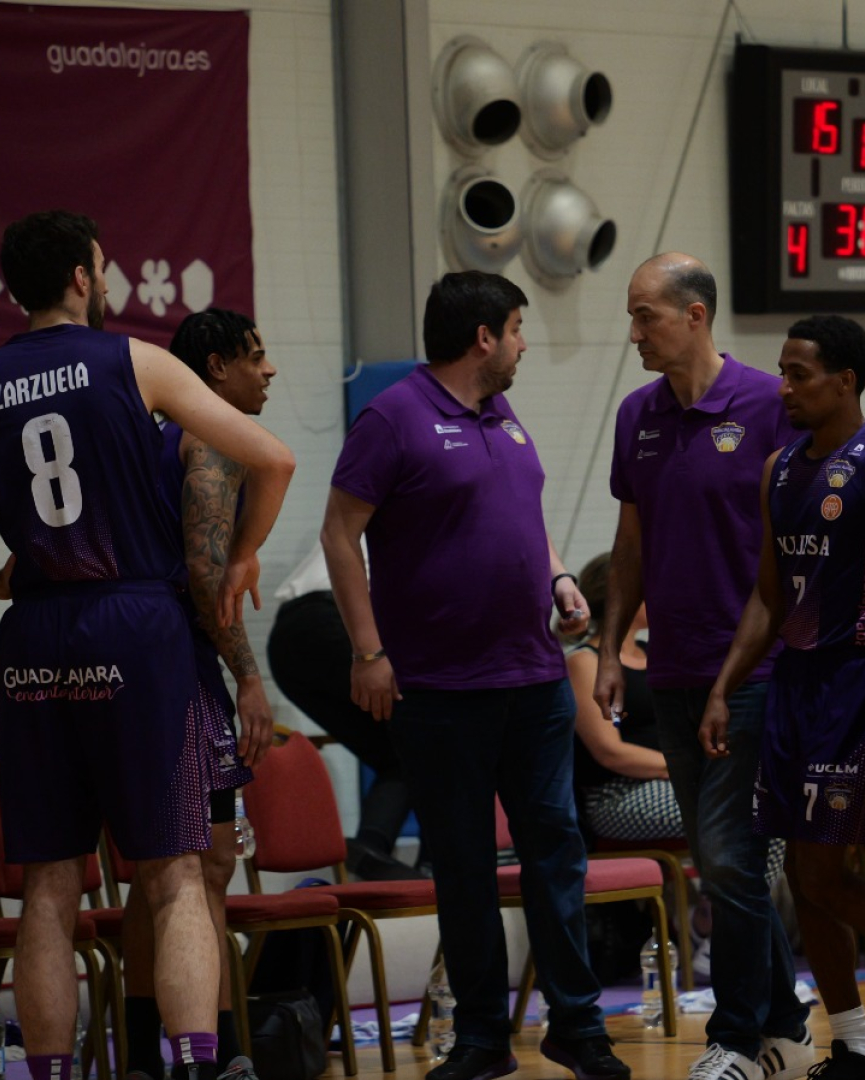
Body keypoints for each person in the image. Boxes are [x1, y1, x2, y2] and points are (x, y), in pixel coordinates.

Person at [0, 210, 295, 1080]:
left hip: (35, 630)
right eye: (102, 269)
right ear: (82, 276)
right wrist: (245, 554)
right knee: (177, 872)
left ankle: (48, 1072)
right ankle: (193, 1066)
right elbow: (274, 459)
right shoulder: (131, 361)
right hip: (137, 624)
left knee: (48, 885)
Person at [322, 270, 627, 1080]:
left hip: (534, 680)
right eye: (518, 329)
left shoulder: (503, 413)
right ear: (483, 337)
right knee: (462, 868)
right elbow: (339, 534)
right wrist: (368, 652)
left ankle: (577, 1026)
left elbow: (524, 518)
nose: (525, 344)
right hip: (441, 690)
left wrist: (560, 579)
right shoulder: (393, 417)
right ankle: (484, 1037)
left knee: (556, 856)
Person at [592, 254, 807, 1080]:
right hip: (674, 672)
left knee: (724, 858)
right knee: (726, 860)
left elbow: (797, 542)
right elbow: (631, 543)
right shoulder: (636, 415)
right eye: (632, 316)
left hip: (753, 672)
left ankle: (737, 1037)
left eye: (645, 315)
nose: (634, 333)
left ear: (695, 314)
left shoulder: (768, 405)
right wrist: (611, 649)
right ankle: (789, 1025)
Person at [702, 315, 865, 1080]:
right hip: (793, 684)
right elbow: (768, 595)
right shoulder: (778, 469)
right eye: (782, 372)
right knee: (801, 875)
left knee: (822, 872)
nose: (783, 388)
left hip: (859, 681)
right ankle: (854, 1046)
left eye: (798, 374)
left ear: (846, 381)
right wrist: (724, 686)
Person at [117, 308, 280, 1080]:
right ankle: (213, 1056)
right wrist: (248, 675)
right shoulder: (212, 439)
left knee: (164, 869)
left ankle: (148, 1052)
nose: (269, 370)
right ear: (216, 368)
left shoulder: (152, 436)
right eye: (255, 356)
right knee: (202, 866)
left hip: (124, 654)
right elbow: (206, 571)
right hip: (177, 663)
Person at [267, 543, 426, 880]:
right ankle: (439, 859)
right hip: (333, 621)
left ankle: (370, 847)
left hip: (286, 644)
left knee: (403, 753)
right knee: (432, 732)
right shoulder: (422, 520)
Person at [566, 556, 675, 846]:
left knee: (768, 802)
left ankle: (741, 880)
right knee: (742, 809)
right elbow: (610, 752)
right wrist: (687, 767)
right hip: (617, 795)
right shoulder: (586, 662)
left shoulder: (655, 652)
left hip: (673, 780)